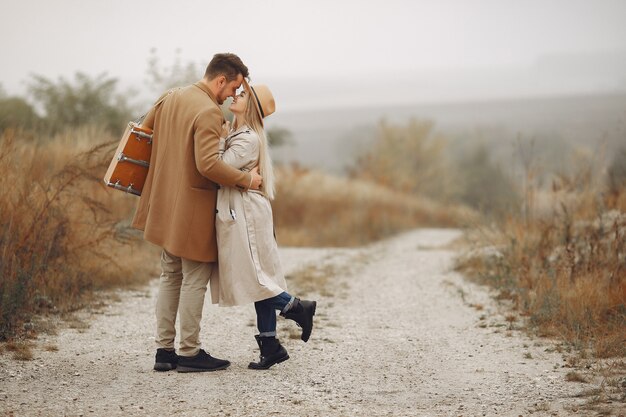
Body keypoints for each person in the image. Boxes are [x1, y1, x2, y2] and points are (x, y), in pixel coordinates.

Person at [132, 53, 263, 373]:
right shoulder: (207, 112)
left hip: (164, 200)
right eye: (234, 88)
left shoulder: (170, 97)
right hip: (192, 209)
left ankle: (164, 352)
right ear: (221, 80)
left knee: (170, 275)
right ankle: (189, 353)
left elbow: (144, 134)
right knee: (193, 279)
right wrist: (248, 179)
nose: (233, 95)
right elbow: (208, 165)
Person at [215, 79, 317, 370]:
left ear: (253, 107)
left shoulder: (246, 138)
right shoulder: (239, 132)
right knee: (260, 276)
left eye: (243, 94)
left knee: (256, 277)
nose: (236, 95)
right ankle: (270, 345)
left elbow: (218, 168)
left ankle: (297, 307)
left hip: (247, 213)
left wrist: (220, 136)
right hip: (245, 210)